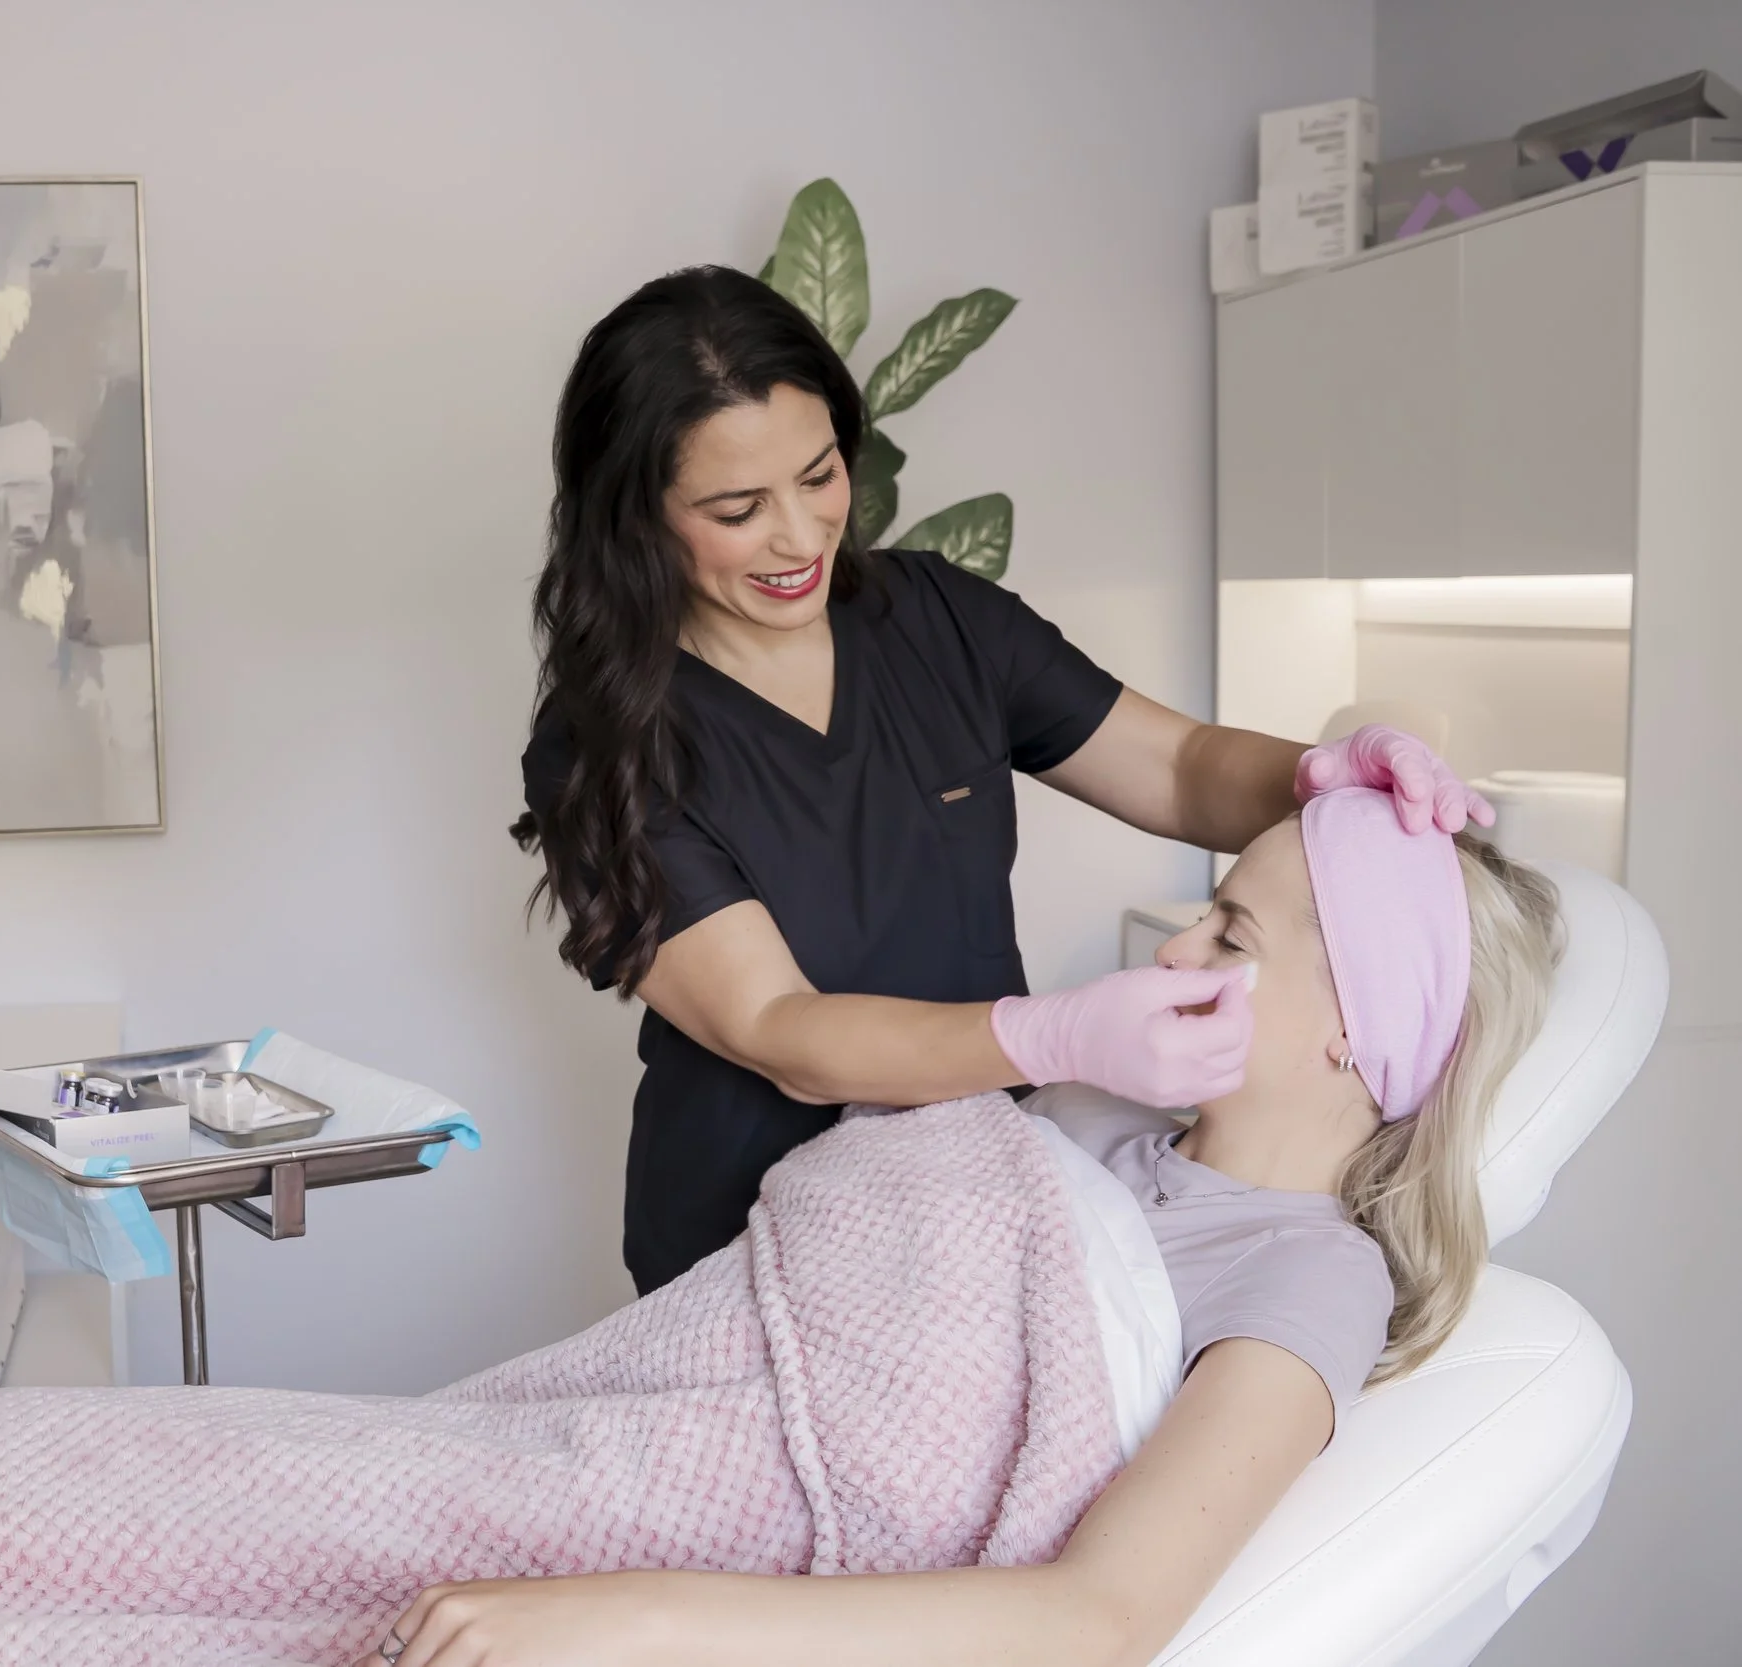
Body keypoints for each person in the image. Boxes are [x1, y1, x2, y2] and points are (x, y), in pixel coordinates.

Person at [378, 788, 1561, 1666]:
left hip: (698, 1559)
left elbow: (1098, 1616)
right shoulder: (1094, 1119)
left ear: (1357, 1023)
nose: (1174, 949)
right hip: (597, 1427)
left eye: (1230, 934)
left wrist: (631, 1610)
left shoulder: (1309, 1275)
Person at [513, 265, 1493, 1293]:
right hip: (747, 1246)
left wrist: (1322, 772)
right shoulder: (604, 741)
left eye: (818, 475)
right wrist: (1054, 1033)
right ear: (638, 515)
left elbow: (1177, 764)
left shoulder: (934, 619)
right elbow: (777, 1027)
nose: (801, 535)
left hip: (976, 1205)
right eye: (737, 507)